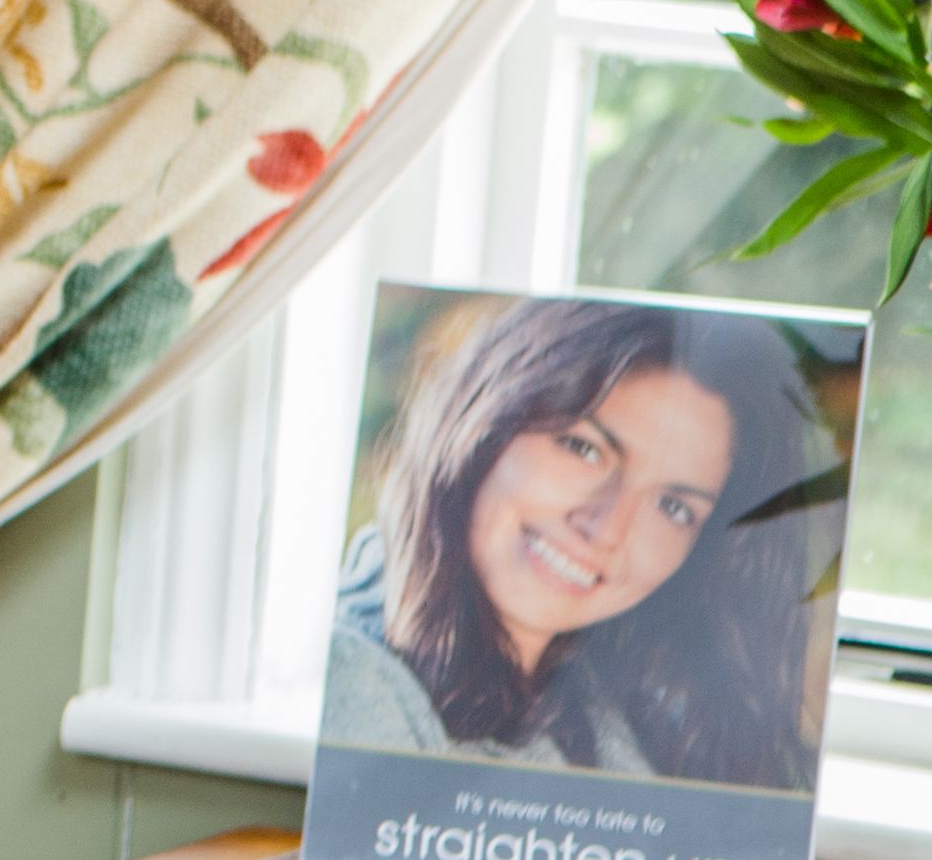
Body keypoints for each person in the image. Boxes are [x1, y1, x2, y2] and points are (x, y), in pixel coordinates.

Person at [324, 297, 835, 790]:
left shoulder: (610, 705)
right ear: (488, 423)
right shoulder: (356, 680)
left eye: (673, 506)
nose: (608, 529)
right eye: (584, 449)